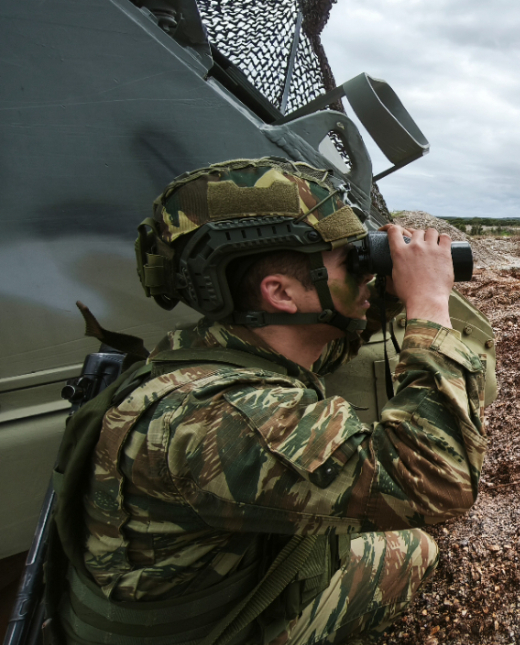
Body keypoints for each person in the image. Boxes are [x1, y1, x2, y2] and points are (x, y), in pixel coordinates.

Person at [59, 158, 487, 644]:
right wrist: (429, 304)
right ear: (280, 293)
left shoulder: (208, 350)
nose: (364, 271)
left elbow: (323, 341)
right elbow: (436, 481)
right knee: (414, 548)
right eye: (350, 260)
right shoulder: (225, 416)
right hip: (217, 627)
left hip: (202, 588)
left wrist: (382, 292)